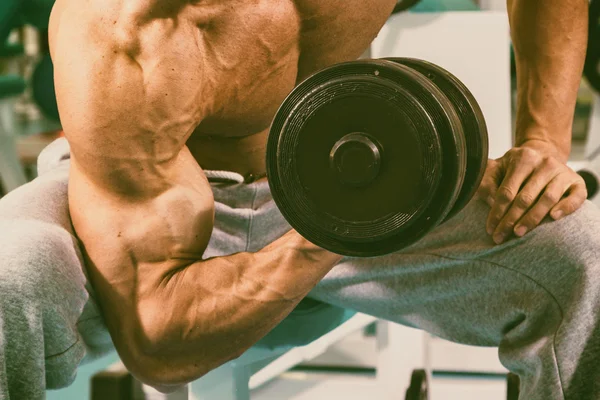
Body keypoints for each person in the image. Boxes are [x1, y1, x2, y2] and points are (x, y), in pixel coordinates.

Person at [0, 0, 596, 398]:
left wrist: (544, 138)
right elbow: (158, 342)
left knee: (584, 254)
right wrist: (337, 225)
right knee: (11, 271)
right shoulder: (124, 25)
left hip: (342, 177)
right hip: (140, 205)